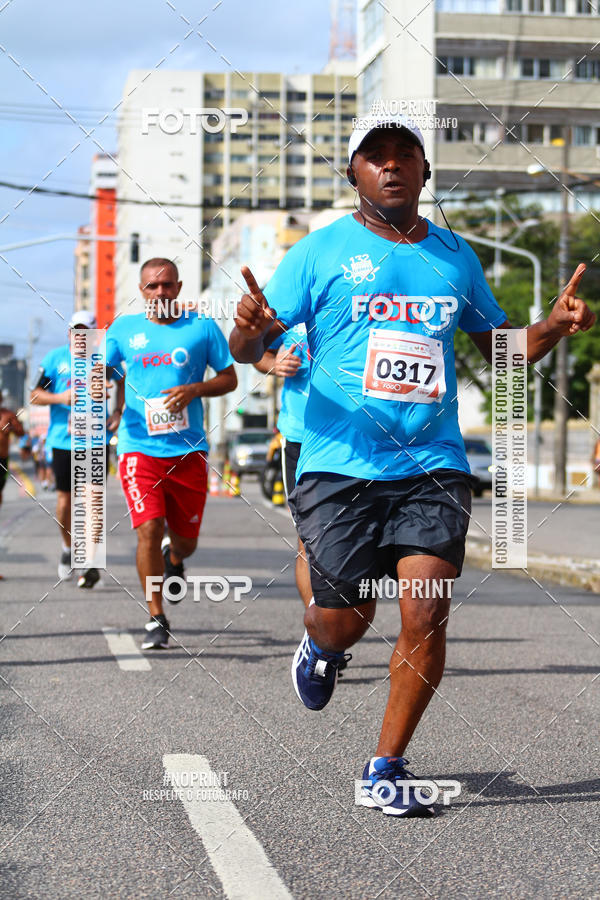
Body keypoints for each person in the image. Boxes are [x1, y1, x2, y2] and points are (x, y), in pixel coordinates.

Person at [230, 114, 595, 817]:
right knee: (344, 618)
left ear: (425, 173)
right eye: (376, 157)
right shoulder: (318, 252)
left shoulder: (456, 256)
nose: (392, 166)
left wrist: (552, 325)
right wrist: (247, 327)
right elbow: (251, 348)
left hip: (431, 460)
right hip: (339, 460)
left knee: (426, 609)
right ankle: (321, 648)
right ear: (355, 174)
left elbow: (501, 352)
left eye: (406, 156)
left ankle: (385, 766)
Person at [105, 257, 237, 650]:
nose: (160, 292)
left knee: (186, 541)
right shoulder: (124, 330)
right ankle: (155, 616)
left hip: (188, 450)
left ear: (178, 288)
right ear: (141, 292)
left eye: (167, 285)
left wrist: (194, 390)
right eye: (152, 286)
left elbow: (229, 378)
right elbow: (103, 373)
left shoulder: (201, 327)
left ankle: (175, 558)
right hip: (138, 448)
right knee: (148, 528)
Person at [30, 310, 114, 587]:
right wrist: (61, 396)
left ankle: (90, 560)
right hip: (63, 441)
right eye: (75, 331)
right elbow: (35, 395)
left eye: (86, 331)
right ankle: (69, 548)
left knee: (93, 501)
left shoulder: (104, 358)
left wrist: (120, 411)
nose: (80, 337)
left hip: (95, 440)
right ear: (69, 334)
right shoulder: (55, 359)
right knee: (65, 502)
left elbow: (123, 379)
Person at [254, 329, 312, 607]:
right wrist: (273, 365)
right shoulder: (294, 301)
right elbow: (253, 349)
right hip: (301, 438)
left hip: (358, 438)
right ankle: (319, 634)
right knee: (309, 538)